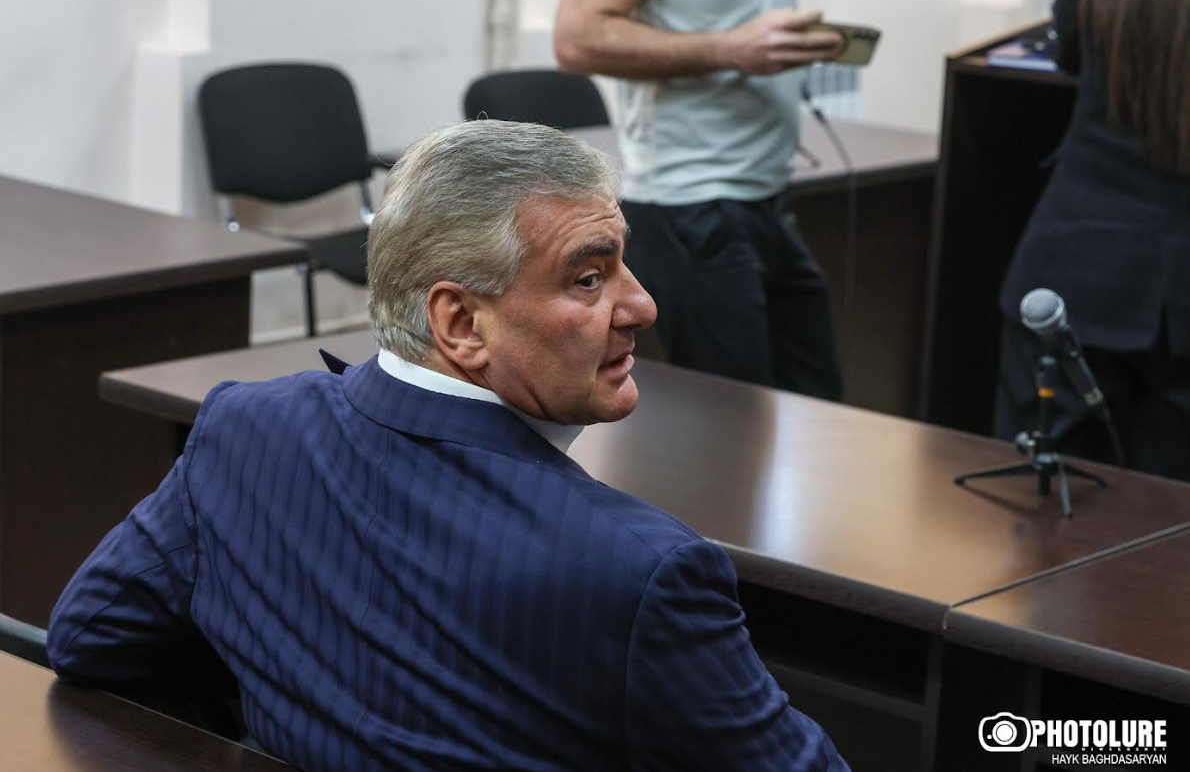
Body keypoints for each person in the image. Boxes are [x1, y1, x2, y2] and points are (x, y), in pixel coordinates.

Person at [48, 121, 850, 772]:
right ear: (461, 323)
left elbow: (88, 637)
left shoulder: (242, 430)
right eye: (588, 278)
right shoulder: (644, 572)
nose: (641, 303)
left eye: (623, 264)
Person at [554, 0, 845, 399]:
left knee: (818, 405)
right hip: (689, 200)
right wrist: (731, 49)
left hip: (768, 196)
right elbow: (577, 39)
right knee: (735, 414)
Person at [996, 0, 1190, 481]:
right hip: (1173, 299)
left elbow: (1070, 53)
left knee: (1040, 502)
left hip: (1074, 269)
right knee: (1170, 516)